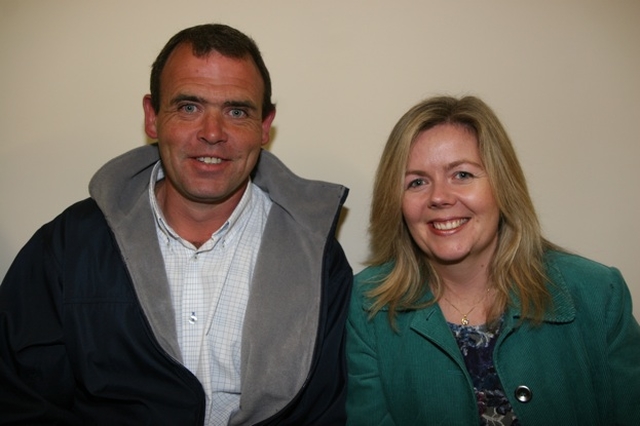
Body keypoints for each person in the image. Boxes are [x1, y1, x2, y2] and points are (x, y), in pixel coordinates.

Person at [0, 23, 352, 426]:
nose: (212, 134)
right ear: (152, 117)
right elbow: (17, 398)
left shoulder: (315, 256)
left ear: (264, 126)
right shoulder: (69, 246)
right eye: (189, 107)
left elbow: (326, 413)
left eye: (236, 111)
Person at [346, 95, 640, 425]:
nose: (439, 197)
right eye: (416, 182)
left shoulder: (597, 294)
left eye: (462, 175)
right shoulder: (367, 305)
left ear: (502, 183)